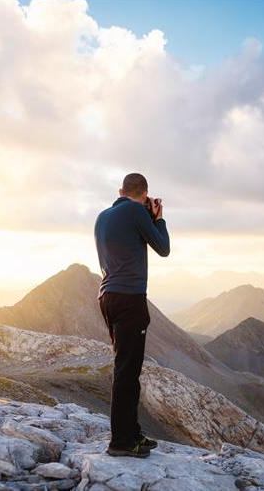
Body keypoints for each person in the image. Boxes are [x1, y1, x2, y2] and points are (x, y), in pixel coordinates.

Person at [94, 172, 170, 458]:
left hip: (107, 297)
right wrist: (158, 217)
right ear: (145, 194)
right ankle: (121, 442)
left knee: (127, 367)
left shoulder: (103, 216)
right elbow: (163, 248)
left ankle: (132, 432)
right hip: (129, 298)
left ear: (121, 191)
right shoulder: (137, 212)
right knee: (127, 372)